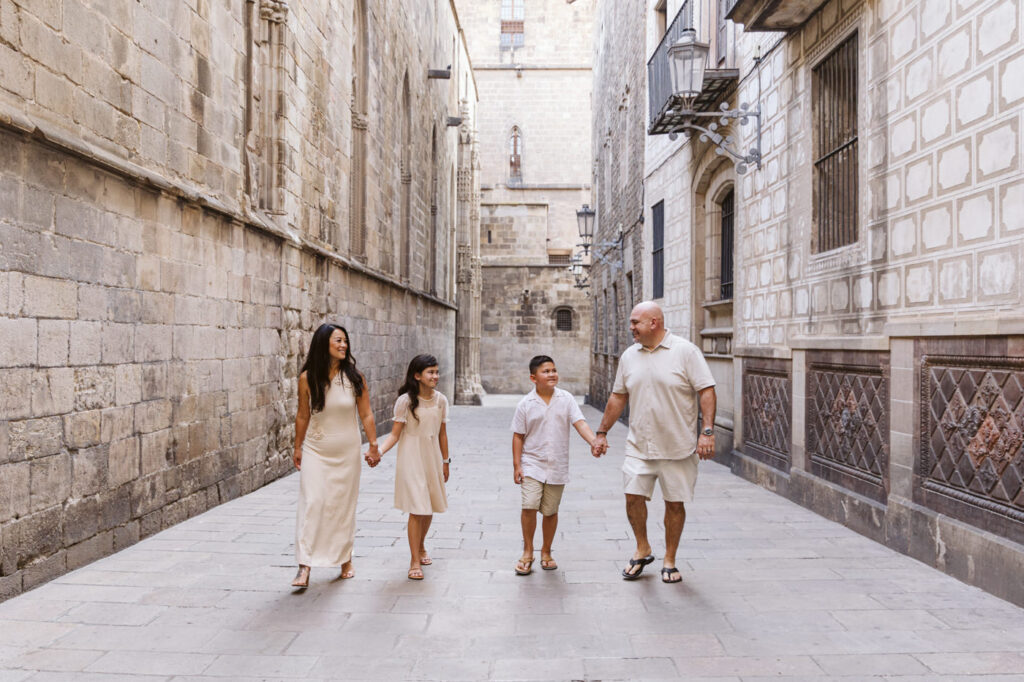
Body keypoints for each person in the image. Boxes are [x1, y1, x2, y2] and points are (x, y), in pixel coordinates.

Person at [592, 302, 717, 584]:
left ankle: (670, 559)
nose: (631, 328)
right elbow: (618, 396)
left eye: (636, 322)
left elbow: (706, 390)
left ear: (655, 323)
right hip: (639, 445)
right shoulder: (629, 356)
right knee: (632, 497)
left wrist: (707, 431)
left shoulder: (685, 351)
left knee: (674, 505)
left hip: (678, 448)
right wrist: (602, 432)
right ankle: (642, 547)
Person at [292, 323, 379, 588]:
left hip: (347, 452)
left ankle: (345, 559)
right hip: (317, 449)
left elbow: (365, 413)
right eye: (337, 341)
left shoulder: (355, 378)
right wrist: (297, 446)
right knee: (313, 502)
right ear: (323, 345)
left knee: (342, 506)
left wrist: (374, 445)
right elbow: (303, 414)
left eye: (345, 341)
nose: (343, 345)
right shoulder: (308, 378)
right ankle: (304, 566)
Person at [511, 355, 598, 575]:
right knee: (529, 505)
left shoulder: (566, 399)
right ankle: (528, 550)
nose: (552, 374)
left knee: (550, 511)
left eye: (554, 370)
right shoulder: (526, 404)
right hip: (532, 462)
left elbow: (580, 423)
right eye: (546, 371)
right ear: (533, 377)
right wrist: (517, 465)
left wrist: (594, 441)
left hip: (557, 464)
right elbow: (518, 436)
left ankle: (546, 551)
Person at [372, 354, 450, 580]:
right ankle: (414, 559)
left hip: (432, 458)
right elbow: (395, 435)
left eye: (436, 372)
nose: (435, 376)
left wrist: (446, 461)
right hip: (411, 459)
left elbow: (443, 434)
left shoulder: (441, 400)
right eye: (430, 372)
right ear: (417, 376)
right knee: (417, 508)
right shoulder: (405, 401)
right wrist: (379, 452)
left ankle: (422, 545)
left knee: (428, 507)